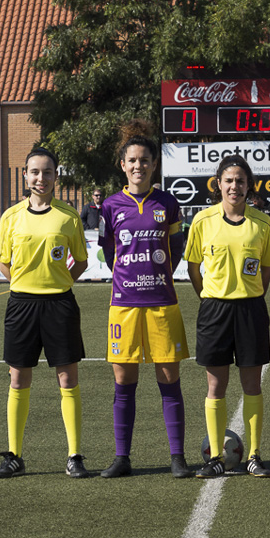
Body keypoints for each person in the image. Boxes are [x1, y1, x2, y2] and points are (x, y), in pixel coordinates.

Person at [97, 122, 191, 479]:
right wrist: (128, 274)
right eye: (132, 160)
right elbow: (109, 251)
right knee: (124, 382)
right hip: (124, 304)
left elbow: (177, 247)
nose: (139, 166)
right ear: (123, 165)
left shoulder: (168, 203)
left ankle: (177, 457)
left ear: (154, 165)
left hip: (162, 303)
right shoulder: (110, 206)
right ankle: (122, 457)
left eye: (145, 160)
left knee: (169, 380)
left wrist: (159, 274)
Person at [0, 147, 90, 480]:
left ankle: (74, 455)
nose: (40, 178)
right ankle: (14, 455)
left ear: (55, 177)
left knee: (68, 378)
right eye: (34, 172)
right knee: (18, 378)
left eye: (47, 172)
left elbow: (82, 261)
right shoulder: (11, 216)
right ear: (25, 175)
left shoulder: (68, 216)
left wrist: (58, 283)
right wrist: (24, 284)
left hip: (60, 304)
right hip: (21, 305)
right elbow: (4, 262)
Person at [185, 155, 270, 479]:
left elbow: (266, 271)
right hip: (215, 310)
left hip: (250, 309)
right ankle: (214, 457)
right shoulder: (202, 221)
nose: (234, 186)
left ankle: (253, 455)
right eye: (229, 180)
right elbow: (193, 268)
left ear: (248, 185)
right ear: (218, 184)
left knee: (252, 385)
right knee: (216, 384)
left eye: (240, 180)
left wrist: (249, 296)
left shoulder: (262, 224)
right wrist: (210, 296)